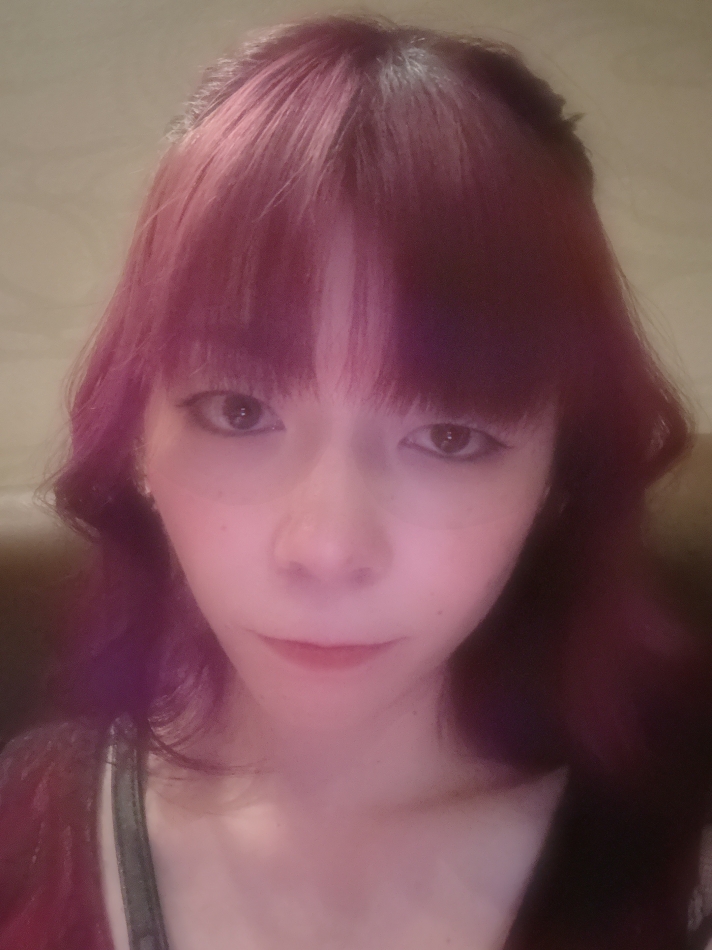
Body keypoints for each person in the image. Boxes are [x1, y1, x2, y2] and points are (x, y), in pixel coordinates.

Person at [1, 12, 711, 950]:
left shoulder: (680, 860)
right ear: (136, 436)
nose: (327, 549)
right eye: (237, 411)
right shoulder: (23, 834)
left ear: (557, 473)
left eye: (450, 435)